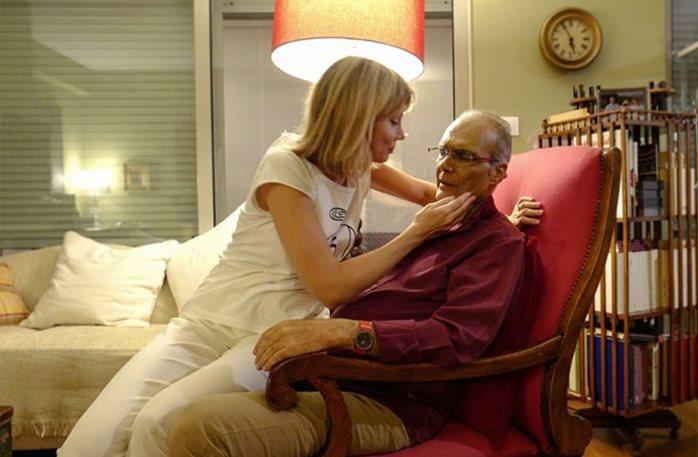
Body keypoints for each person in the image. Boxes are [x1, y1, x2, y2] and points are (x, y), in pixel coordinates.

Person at [58, 57, 540, 457]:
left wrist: (500, 218)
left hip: (275, 335)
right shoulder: (288, 166)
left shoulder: (362, 167)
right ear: (359, 117)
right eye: (394, 120)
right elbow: (330, 285)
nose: (403, 133)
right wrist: (419, 232)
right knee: (91, 443)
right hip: (213, 321)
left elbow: (439, 198)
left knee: (158, 425)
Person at [168, 110, 525, 457]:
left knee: (197, 427)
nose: (445, 164)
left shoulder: (497, 244)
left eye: (463, 156)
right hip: (328, 376)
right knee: (176, 408)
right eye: (443, 151)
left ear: (497, 172)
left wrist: (343, 332)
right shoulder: (437, 225)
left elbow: (456, 338)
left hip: (387, 401)